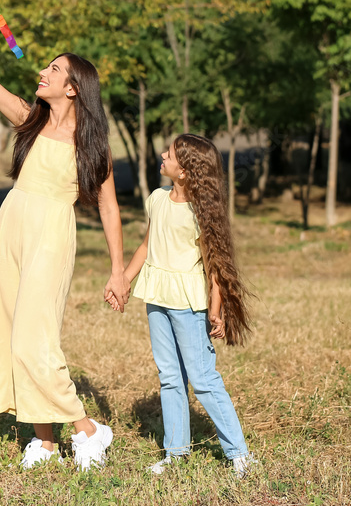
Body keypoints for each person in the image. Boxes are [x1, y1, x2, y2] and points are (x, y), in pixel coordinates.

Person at [0, 8, 129, 471]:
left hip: (52, 234)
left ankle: (88, 429)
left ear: (73, 87)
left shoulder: (91, 144)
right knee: (10, 331)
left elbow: (109, 207)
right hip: (11, 225)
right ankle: (47, 441)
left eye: (54, 69)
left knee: (34, 340)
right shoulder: (29, 120)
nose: (44, 72)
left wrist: (118, 271)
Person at [119, 134, 257, 477]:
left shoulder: (202, 211)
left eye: (170, 153)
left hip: (188, 304)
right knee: (169, 377)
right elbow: (147, 246)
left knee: (203, 378)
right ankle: (175, 453)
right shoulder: (156, 199)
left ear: (186, 170)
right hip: (157, 298)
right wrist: (123, 279)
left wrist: (216, 307)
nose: (162, 155)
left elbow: (215, 265)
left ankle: (239, 454)